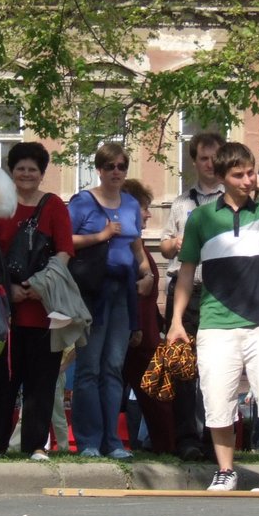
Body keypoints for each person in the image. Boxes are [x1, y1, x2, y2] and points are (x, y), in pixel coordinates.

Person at [165, 141, 259, 491]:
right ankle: (225, 469)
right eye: (238, 175)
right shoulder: (201, 218)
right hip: (215, 323)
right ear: (221, 177)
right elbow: (186, 271)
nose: (247, 180)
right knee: (218, 399)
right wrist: (176, 321)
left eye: (250, 173)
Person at [0, 142, 75, 458]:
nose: (26, 174)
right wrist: (7, 289)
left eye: (32, 169)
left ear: (42, 173)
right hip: (3, 311)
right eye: (20, 168)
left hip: (43, 309)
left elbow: (64, 251)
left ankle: (36, 444)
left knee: (41, 382)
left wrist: (41, 285)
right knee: (1, 380)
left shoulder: (54, 206)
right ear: (11, 171)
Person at [68, 142, 152, 458]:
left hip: (122, 291)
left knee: (114, 366)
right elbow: (63, 241)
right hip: (92, 290)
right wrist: (100, 236)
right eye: (110, 166)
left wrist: (147, 273)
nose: (116, 172)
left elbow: (136, 246)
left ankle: (113, 442)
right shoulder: (82, 201)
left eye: (121, 166)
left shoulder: (130, 204)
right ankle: (89, 440)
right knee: (89, 367)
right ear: (99, 170)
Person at [160, 131, 226, 459]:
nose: (210, 164)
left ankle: (216, 439)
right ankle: (186, 439)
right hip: (184, 292)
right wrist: (175, 243)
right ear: (195, 162)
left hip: (219, 291)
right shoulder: (182, 202)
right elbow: (164, 245)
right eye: (203, 158)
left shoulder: (233, 201)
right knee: (182, 367)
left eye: (215, 158)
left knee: (218, 368)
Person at [119, 177, 176, 453]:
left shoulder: (137, 244)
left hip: (147, 335)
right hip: (138, 337)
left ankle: (165, 445)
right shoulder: (127, 247)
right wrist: (138, 327)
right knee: (155, 395)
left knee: (157, 396)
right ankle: (166, 445)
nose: (148, 215)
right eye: (144, 208)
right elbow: (134, 295)